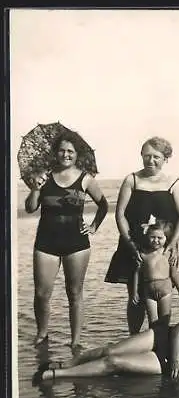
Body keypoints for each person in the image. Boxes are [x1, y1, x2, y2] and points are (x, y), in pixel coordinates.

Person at [32, 281, 179, 384]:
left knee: (114, 361)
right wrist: (176, 359)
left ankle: (57, 375)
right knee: (110, 348)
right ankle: (68, 363)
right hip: (165, 338)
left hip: (164, 359)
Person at [25, 133, 109, 348]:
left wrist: (93, 227)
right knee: (42, 293)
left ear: (77, 154)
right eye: (62, 150)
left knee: (74, 292)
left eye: (70, 151)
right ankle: (42, 334)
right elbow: (30, 208)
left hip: (77, 244)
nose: (66, 154)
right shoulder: (44, 176)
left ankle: (76, 340)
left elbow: (103, 204)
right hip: (46, 242)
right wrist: (35, 188)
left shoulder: (86, 178)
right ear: (55, 152)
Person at [104, 136, 179, 334]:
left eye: (156, 157)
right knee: (136, 297)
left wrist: (172, 244)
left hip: (164, 247)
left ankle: (159, 341)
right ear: (141, 156)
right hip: (134, 246)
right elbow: (120, 214)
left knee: (163, 290)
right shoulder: (132, 179)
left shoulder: (173, 183)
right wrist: (130, 244)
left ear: (165, 158)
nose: (151, 161)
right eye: (147, 156)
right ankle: (134, 338)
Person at [132, 220, 179, 326]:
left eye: (160, 238)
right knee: (152, 323)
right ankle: (154, 342)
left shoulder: (168, 253)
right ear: (147, 237)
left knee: (164, 321)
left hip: (165, 290)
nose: (156, 240)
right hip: (148, 292)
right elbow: (137, 274)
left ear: (166, 239)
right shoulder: (143, 254)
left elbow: (174, 274)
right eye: (152, 237)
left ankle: (164, 341)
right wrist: (135, 292)